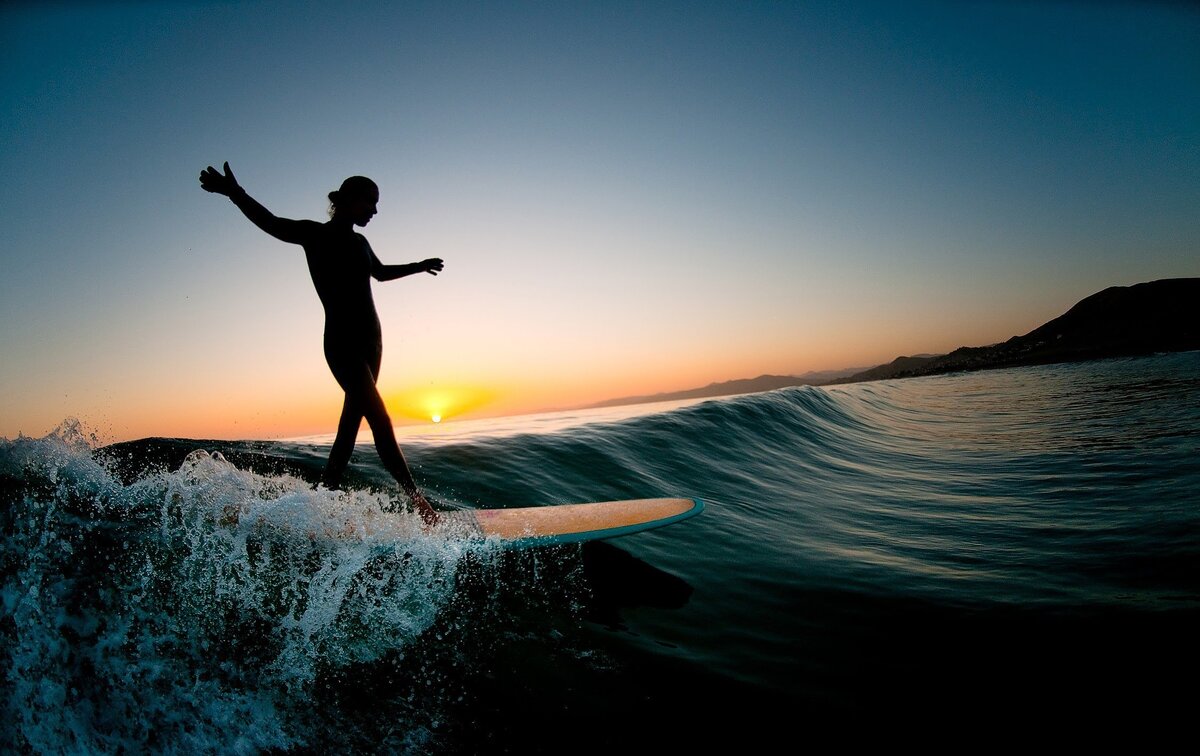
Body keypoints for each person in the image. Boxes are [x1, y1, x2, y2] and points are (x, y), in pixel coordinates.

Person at [199, 162, 441, 525]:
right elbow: (271, 222)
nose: (374, 211)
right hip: (342, 344)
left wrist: (418, 265)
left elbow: (380, 273)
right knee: (379, 417)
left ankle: (319, 503)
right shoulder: (314, 235)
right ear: (346, 200)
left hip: (372, 344)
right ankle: (419, 504)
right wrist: (234, 193)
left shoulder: (361, 242)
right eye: (369, 202)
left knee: (349, 429)